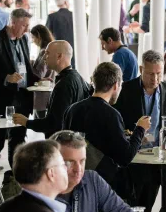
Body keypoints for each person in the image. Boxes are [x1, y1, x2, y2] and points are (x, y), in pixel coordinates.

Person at [113, 50, 166, 212]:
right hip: (132, 161)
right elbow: (116, 125)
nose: (155, 79)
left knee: (147, 209)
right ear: (141, 69)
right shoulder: (125, 90)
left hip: (157, 161)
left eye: (159, 74)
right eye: (151, 74)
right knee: (129, 209)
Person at [63, 62, 150, 192]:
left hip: (75, 180)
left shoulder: (72, 110)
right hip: (103, 184)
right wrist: (140, 129)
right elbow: (126, 157)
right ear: (116, 85)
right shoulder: (111, 114)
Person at [14, 40, 91, 138]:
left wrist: (26, 122)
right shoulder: (77, 76)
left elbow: (53, 123)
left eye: (47, 53)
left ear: (59, 56)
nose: (44, 57)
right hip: (73, 140)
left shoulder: (64, 84)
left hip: (61, 143)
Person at [0, 8, 38, 173]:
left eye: (28, 26)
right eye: (24, 25)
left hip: (22, 97)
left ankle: (16, 175)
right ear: (12, 22)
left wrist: (39, 79)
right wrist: (6, 78)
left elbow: (26, 67)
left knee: (19, 137)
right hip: (2, 99)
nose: (27, 30)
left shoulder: (24, 39)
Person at [29, 24, 55, 114]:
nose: (33, 41)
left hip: (42, 95)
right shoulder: (50, 49)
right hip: (46, 92)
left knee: (40, 124)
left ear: (39, 36)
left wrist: (29, 64)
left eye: (33, 37)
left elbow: (39, 74)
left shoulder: (44, 51)